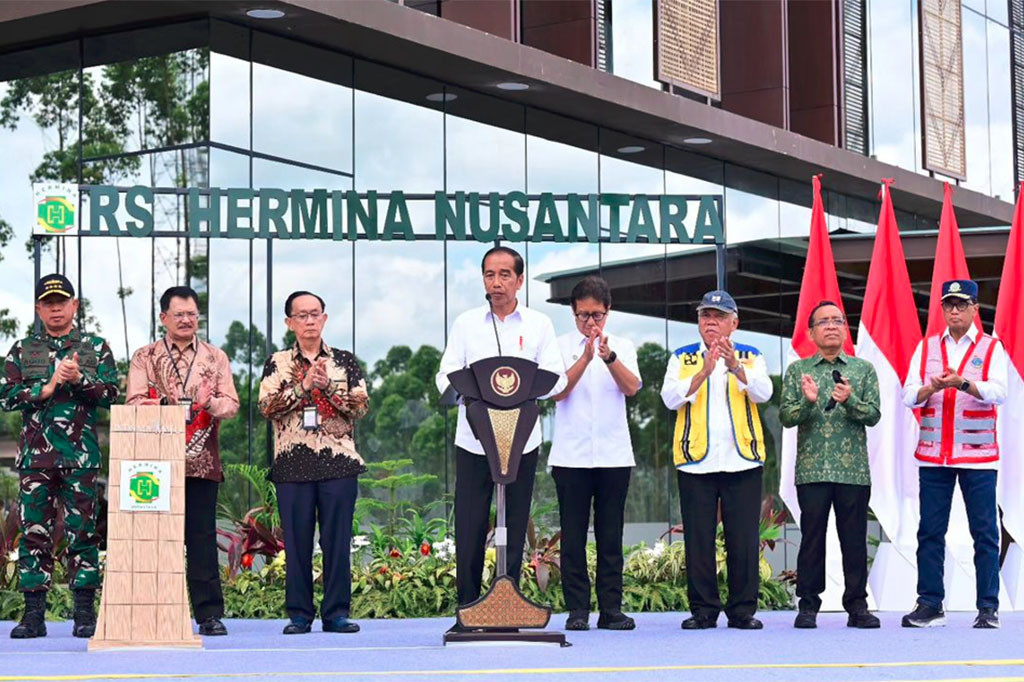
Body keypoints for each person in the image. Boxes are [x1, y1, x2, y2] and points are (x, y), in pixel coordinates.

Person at [435, 246, 566, 632]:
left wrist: (517, 391)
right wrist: (476, 392)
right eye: (490, 274)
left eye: (505, 274)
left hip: (521, 442)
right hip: (474, 442)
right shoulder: (466, 324)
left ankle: (507, 608)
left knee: (515, 519)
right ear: (483, 280)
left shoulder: (539, 324)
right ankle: (468, 610)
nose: (497, 282)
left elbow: (555, 377)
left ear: (520, 280)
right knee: (471, 524)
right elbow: (446, 377)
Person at [0, 274, 118, 639]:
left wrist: (80, 378)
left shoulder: (95, 347)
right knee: (34, 533)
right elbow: (5, 396)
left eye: (62, 302)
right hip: (36, 460)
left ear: (74, 306)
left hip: (80, 459)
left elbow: (112, 393)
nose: (55, 308)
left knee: (83, 533)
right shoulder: (23, 350)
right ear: (38, 308)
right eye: (48, 303)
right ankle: (33, 615)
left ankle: (83, 614)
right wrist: (47, 386)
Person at [126, 286, 239, 636]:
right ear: (164, 318)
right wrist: (164, 404)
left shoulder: (214, 357)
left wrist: (208, 404)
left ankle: (208, 615)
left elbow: (232, 405)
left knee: (202, 538)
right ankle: (153, 613)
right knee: (155, 539)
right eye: (180, 314)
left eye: (192, 314)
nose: (188, 320)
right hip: (154, 465)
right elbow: (132, 403)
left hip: (202, 462)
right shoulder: (145, 357)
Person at [660, 290, 772, 630]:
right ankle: (704, 610)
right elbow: (669, 399)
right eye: (705, 315)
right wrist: (704, 371)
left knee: (743, 539)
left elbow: (764, 393)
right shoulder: (682, 358)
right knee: (698, 539)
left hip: (743, 461)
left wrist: (735, 367)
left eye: (719, 316)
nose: (710, 321)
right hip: (696, 461)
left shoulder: (752, 356)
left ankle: (742, 611)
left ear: (734, 323)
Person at [259, 291, 369, 635]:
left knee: (337, 542)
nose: (309, 321)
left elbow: (360, 408)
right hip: (293, 464)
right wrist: (303, 387)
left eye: (315, 314)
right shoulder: (276, 363)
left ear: (324, 318)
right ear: (289, 322)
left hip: (337, 463)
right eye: (301, 315)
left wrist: (329, 391)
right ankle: (299, 615)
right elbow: (266, 407)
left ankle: (336, 613)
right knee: (297, 542)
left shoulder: (345, 361)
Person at [901, 279, 1007, 629]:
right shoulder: (927, 346)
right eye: (949, 305)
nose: (955, 311)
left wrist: (963, 383)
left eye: (962, 305)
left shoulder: (992, 348)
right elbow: (907, 395)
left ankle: (987, 608)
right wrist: (931, 387)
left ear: (975, 309)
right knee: (930, 531)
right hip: (934, 456)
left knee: (985, 533)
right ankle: (930, 604)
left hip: (978, 456)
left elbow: (1000, 392)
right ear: (942, 310)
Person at [780, 300, 881, 629]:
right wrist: (809, 403)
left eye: (838, 320)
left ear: (845, 329)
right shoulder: (798, 371)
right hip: (812, 470)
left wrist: (849, 399)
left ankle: (857, 606)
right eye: (823, 322)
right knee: (812, 538)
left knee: (853, 539)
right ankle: (808, 605)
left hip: (853, 471)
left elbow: (874, 415)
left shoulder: (863, 369)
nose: (832, 326)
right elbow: (786, 416)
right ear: (811, 332)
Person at [549, 276, 641, 632]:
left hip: (614, 455)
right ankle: (577, 610)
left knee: (610, 534)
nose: (591, 322)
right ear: (573, 314)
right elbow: (557, 391)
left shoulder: (623, 345)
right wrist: (586, 358)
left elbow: (632, 387)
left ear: (608, 312)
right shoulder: (558, 346)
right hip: (571, 456)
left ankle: (611, 609)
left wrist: (608, 357)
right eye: (584, 315)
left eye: (597, 315)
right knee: (572, 535)